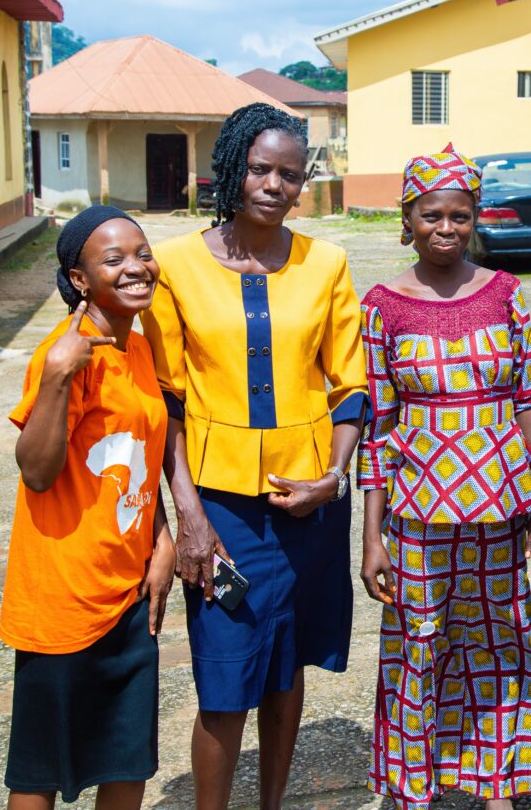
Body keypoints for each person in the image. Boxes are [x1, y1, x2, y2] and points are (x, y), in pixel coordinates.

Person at [140, 103, 368, 810]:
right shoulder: (175, 265)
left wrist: (332, 478)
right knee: (225, 671)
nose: (274, 184)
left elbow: (351, 385)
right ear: (231, 169)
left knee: (286, 661)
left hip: (308, 503)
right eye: (260, 169)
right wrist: (189, 515)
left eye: (289, 175)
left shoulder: (326, 263)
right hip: (219, 506)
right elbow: (168, 400)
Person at [357, 144, 531, 809]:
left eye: (460, 216)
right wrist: (372, 537)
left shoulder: (506, 293)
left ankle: (498, 783)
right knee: (418, 644)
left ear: (475, 217)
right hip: (416, 511)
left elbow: (526, 403)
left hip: (501, 505)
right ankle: (417, 785)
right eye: (431, 215)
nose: (446, 228)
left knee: (502, 637)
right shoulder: (382, 305)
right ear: (407, 218)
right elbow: (378, 425)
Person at [0, 206, 174, 809]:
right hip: (63, 597)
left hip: (127, 591)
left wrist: (162, 537)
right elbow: (37, 471)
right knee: (40, 772)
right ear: (80, 279)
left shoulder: (139, 347)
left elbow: (134, 454)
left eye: (143, 254)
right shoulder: (66, 354)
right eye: (114, 259)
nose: (136, 268)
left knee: (127, 761)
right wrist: (55, 376)